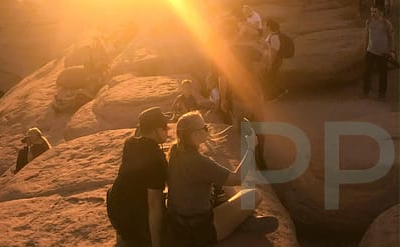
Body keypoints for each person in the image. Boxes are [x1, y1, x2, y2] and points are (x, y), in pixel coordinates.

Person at [165, 111, 258, 246]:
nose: (208, 130)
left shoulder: (174, 152)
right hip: (200, 231)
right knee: (254, 196)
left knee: (221, 180)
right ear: (195, 135)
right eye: (205, 128)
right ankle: (243, 220)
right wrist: (250, 147)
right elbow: (238, 178)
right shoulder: (200, 162)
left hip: (178, 224)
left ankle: (239, 216)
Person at [108, 107, 170, 247]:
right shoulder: (157, 160)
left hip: (115, 211)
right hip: (133, 222)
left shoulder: (130, 143)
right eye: (165, 127)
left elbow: (142, 144)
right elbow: (154, 205)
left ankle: (124, 238)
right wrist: (156, 244)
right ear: (156, 130)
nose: (168, 130)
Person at [364, 7, 395, 100]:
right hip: (370, 51)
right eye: (371, 12)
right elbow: (367, 36)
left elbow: (392, 37)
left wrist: (392, 51)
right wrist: (365, 48)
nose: (372, 14)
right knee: (366, 72)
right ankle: (365, 91)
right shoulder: (368, 22)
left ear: (381, 12)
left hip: (382, 52)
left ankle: (382, 94)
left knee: (382, 74)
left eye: (375, 12)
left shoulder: (386, 23)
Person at [260, 19, 288, 100]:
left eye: (265, 24)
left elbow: (274, 51)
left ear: (269, 26)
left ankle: (273, 94)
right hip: (272, 60)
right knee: (270, 78)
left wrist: (270, 63)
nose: (264, 26)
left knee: (268, 78)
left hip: (274, 60)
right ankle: (279, 91)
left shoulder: (274, 37)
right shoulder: (271, 35)